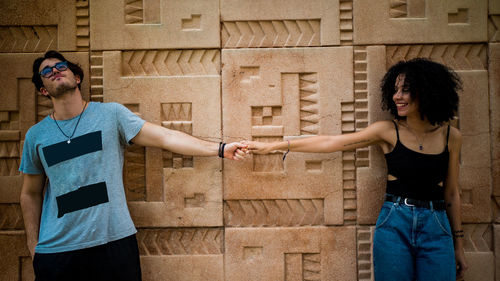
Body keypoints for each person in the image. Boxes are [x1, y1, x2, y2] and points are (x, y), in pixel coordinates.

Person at [20, 50, 248, 281]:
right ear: (43, 89)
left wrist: (219, 149)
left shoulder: (111, 115)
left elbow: (165, 137)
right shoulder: (36, 136)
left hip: (112, 242)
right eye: (46, 71)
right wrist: (34, 246)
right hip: (57, 251)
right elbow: (30, 193)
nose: (55, 71)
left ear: (77, 78)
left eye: (61, 66)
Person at [246, 58, 467, 281]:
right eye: (395, 89)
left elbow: (451, 193)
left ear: (428, 92)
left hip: (437, 227)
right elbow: (330, 142)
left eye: (406, 90)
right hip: (394, 224)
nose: (397, 96)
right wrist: (272, 146)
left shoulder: (451, 137)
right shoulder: (388, 131)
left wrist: (459, 245)